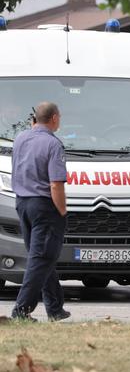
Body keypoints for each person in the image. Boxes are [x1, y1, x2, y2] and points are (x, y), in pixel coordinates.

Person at [11, 102, 69, 322]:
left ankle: (55, 307)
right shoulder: (53, 144)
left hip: (22, 203)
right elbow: (56, 184)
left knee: (42, 257)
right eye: (59, 117)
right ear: (54, 118)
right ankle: (21, 311)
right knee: (41, 258)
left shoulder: (20, 138)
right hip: (44, 207)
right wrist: (62, 211)